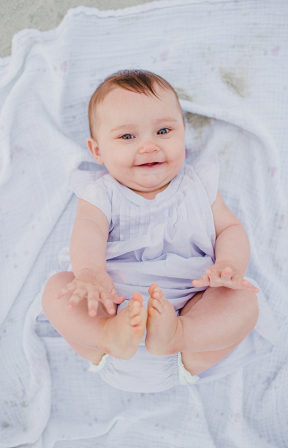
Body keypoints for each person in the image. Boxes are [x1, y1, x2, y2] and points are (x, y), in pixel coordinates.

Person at [40, 69, 275, 393]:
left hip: (189, 334)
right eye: (127, 137)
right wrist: (90, 272)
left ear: (182, 133)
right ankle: (107, 333)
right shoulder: (101, 193)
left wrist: (229, 266)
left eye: (163, 131)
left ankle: (177, 332)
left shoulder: (199, 185)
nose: (149, 146)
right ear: (97, 151)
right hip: (110, 318)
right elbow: (88, 230)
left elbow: (230, 228)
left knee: (243, 301)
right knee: (57, 288)